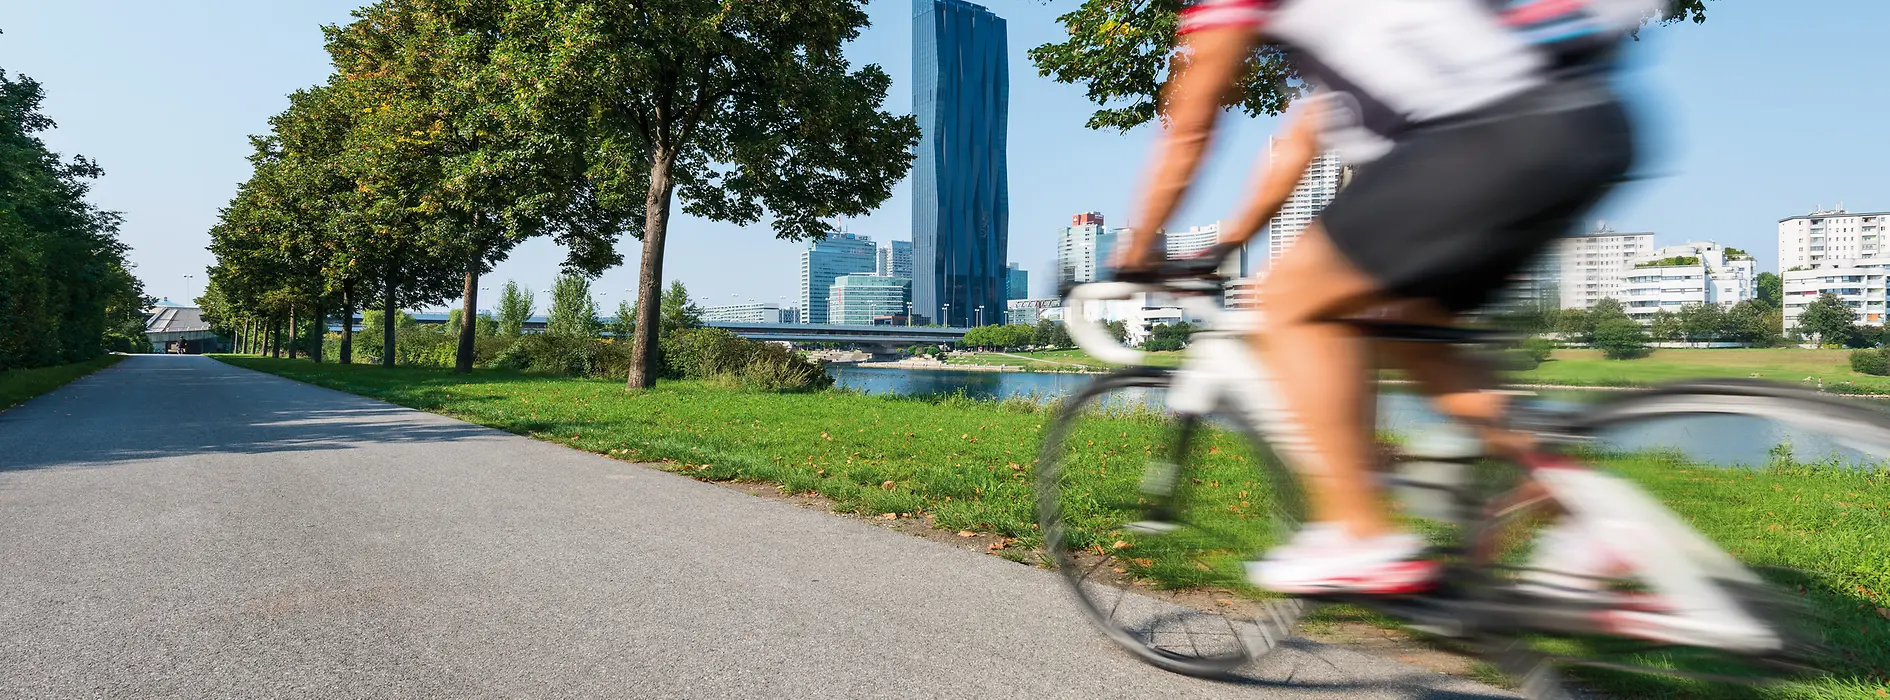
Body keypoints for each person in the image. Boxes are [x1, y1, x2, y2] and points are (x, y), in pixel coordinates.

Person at [1114, 0, 1655, 594]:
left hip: (1483, 140)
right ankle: (1589, 517)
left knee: (1284, 302)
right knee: (1410, 326)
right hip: (1590, 128)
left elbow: (1191, 122)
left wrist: (1138, 247)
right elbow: (1301, 138)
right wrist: (1227, 244)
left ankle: (1362, 535)